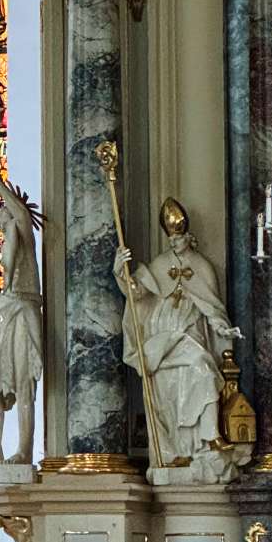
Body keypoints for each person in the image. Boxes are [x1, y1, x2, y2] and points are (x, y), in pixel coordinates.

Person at [116, 197, 240, 473]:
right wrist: (120, 271)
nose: (175, 245)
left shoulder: (202, 266)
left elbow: (212, 306)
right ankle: (177, 452)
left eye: (179, 239)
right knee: (168, 398)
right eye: (171, 240)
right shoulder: (161, 263)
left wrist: (222, 327)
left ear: (187, 236)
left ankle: (209, 438)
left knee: (205, 371)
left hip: (189, 337)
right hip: (162, 340)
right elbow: (136, 293)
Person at [0, 173, 44, 467]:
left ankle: (25, 452)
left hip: (26, 317)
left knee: (23, 386)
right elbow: (9, 309)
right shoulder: (10, 243)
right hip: (12, 319)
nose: (1, 223)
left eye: (3, 218)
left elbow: (18, 213)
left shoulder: (24, 235)